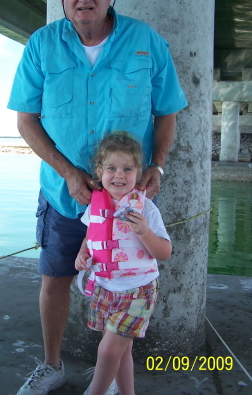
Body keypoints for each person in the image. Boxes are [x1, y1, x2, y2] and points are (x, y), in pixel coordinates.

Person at [7, 0, 187, 394]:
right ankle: (51, 366)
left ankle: (109, 371)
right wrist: (68, 171)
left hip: (128, 200)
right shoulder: (41, 45)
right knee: (55, 279)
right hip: (62, 193)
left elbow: (166, 112)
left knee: (125, 280)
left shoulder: (146, 41)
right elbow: (25, 120)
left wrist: (157, 164)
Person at [75, 132, 172, 395]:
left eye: (128, 169)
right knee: (122, 351)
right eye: (111, 168)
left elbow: (164, 252)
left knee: (108, 351)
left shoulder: (147, 209)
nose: (119, 175)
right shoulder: (95, 206)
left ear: (139, 173)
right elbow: (91, 236)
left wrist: (144, 232)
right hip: (105, 288)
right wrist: (82, 254)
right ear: (99, 171)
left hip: (137, 291)